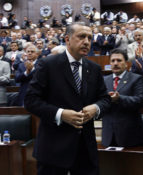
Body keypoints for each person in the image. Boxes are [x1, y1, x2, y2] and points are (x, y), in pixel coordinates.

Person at [24, 23, 110, 175]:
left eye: (89, 38)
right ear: (67, 39)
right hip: (53, 148)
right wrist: (61, 114)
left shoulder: (94, 68)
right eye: (81, 36)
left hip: (85, 150)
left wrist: (95, 108)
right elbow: (31, 100)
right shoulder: (48, 64)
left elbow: (105, 99)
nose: (86, 42)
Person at [102, 49, 143, 147]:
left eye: (119, 60)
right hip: (108, 134)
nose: (115, 63)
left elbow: (140, 101)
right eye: (113, 61)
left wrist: (119, 98)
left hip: (129, 135)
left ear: (126, 64)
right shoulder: (104, 80)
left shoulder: (136, 78)